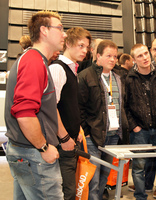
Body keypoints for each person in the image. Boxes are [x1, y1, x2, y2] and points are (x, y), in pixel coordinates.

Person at [5, 10, 66, 199]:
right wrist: (44, 148)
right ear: (44, 31)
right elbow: (24, 113)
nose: (64, 34)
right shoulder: (33, 61)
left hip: (25, 152)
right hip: (34, 154)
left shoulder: (34, 59)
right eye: (60, 28)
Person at [78, 40, 128, 200]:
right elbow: (80, 108)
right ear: (98, 56)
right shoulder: (85, 76)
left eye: (115, 56)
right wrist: (85, 132)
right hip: (93, 136)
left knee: (104, 178)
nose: (113, 59)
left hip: (113, 135)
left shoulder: (119, 77)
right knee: (93, 179)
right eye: (108, 56)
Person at [125, 43, 156, 200]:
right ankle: (140, 197)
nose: (144, 57)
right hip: (140, 131)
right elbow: (125, 106)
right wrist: (134, 127)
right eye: (140, 55)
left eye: (146, 53)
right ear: (133, 60)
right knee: (138, 167)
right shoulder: (129, 79)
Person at [49, 26, 91, 200]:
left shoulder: (73, 70)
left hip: (71, 140)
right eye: (80, 45)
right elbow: (51, 108)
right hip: (61, 144)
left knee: (70, 192)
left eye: (87, 47)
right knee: (66, 194)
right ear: (68, 43)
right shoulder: (58, 69)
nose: (84, 51)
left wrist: (77, 129)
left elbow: (68, 106)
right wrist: (65, 138)